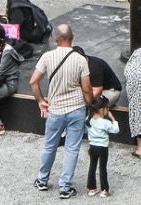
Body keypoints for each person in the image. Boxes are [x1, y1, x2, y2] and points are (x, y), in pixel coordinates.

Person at [31, 23, 94, 192]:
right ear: (72, 38)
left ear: (55, 38)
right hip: (76, 108)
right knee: (72, 149)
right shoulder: (80, 60)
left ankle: (42, 180)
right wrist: (90, 105)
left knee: (49, 146)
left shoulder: (47, 56)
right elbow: (87, 88)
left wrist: (40, 100)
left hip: (56, 109)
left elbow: (33, 81)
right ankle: (65, 187)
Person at [84, 95, 120, 195]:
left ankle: (92, 188)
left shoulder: (88, 119)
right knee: (102, 168)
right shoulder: (104, 122)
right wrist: (113, 119)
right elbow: (116, 130)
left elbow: (85, 130)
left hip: (92, 146)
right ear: (101, 110)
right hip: (103, 147)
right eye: (107, 108)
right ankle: (104, 189)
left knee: (92, 166)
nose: (108, 110)